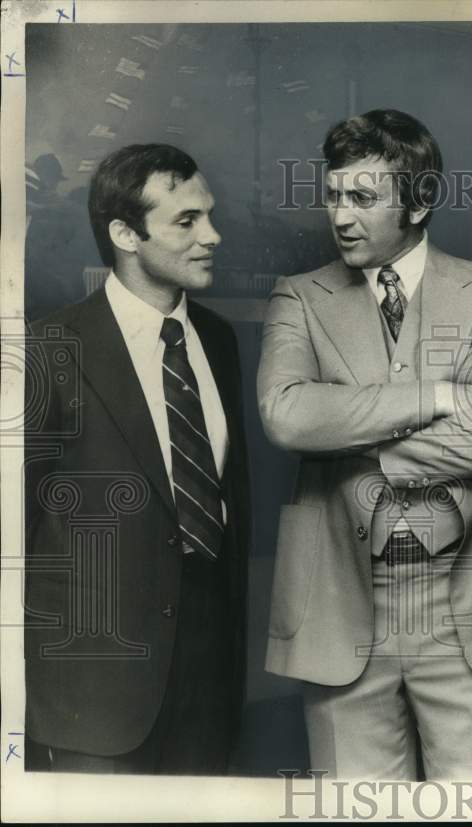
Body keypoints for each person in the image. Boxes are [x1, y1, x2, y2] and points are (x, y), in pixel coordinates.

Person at [257, 108, 472, 780]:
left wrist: (377, 450)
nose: (341, 216)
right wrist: (439, 396)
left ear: (421, 202)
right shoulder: (299, 297)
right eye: (333, 194)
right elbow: (286, 415)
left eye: (363, 198)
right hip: (339, 606)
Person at [24, 144, 250, 774]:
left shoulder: (221, 343)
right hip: (93, 697)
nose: (213, 235)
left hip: (207, 690)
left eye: (209, 215)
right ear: (125, 233)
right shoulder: (50, 349)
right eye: (186, 221)